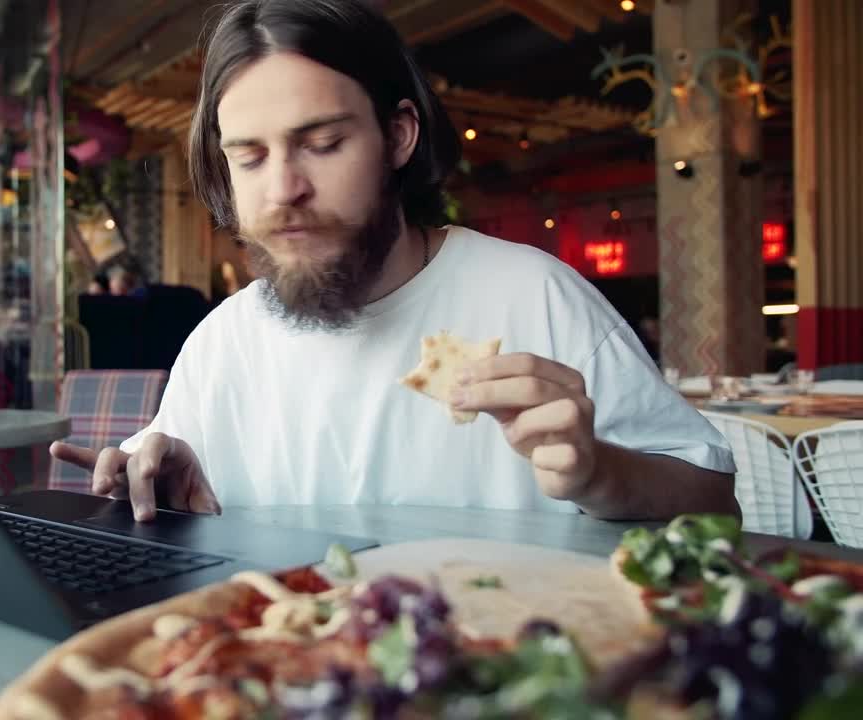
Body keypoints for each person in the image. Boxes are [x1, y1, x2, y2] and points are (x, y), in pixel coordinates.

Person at [51, 0, 738, 523]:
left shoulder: (535, 296)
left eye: (323, 143)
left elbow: (716, 503)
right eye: (250, 157)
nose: (283, 189)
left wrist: (603, 475)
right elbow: (169, 496)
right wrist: (158, 492)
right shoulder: (222, 343)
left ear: (399, 135)